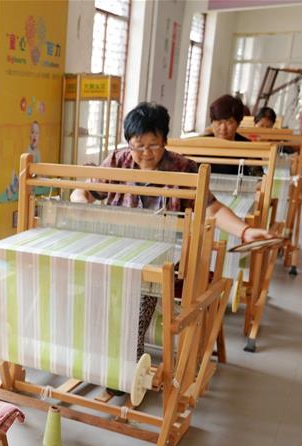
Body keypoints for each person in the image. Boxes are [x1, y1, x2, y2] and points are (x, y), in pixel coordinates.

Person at [70, 102, 272, 359]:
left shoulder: (184, 168)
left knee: (138, 294)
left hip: (165, 256)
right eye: (138, 146)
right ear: (128, 143)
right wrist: (78, 204)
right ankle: (92, 356)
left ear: (165, 140)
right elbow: (85, 192)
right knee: (87, 287)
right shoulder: (118, 161)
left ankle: (125, 366)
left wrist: (245, 231)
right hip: (119, 249)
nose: (145, 153)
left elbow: (212, 208)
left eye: (153, 145)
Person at [206, 94, 262, 175]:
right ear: (212, 122)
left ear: (238, 123)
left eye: (229, 122)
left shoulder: (248, 147)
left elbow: (258, 176)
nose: (223, 128)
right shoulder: (198, 144)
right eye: (219, 122)